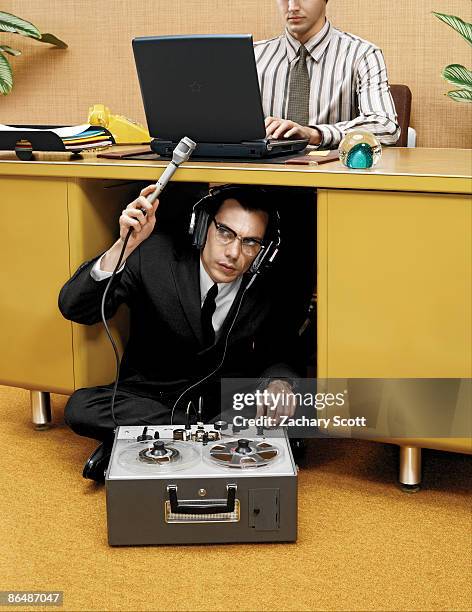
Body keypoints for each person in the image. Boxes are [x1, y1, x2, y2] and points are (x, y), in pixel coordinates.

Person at [59, 184, 301, 482]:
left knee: (299, 411)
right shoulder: (153, 255)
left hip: (223, 404)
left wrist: (279, 382)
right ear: (202, 227)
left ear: (263, 252)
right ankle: (205, 438)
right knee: (80, 408)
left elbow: (284, 351)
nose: (234, 252)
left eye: (250, 242)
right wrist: (123, 247)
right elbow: (75, 308)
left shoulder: (269, 289)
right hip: (150, 399)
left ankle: (144, 442)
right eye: (225, 232)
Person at [255, 0, 400, 148]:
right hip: (261, 168)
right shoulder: (253, 56)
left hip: (333, 169)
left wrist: (315, 134)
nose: (292, 7)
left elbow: (386, 127)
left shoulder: (362, 55)